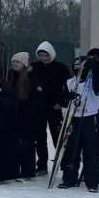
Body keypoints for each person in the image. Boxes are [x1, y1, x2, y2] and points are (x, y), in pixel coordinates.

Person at [59, 51, 99, 192]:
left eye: (81, 66)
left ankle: (92, 181)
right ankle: (69, 178)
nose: (78, 68)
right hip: (74, 118)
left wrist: (95, 67)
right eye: (76, 66)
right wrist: (68, 97)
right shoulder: (70, 82)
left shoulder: (93, 81)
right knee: (72, 149)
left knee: (91, 151)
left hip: (90, 118)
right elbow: (63, 100)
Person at [30, 41, 71, 174]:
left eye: (46, 55)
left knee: (57, 136)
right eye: (41, 55)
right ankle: (42, 164)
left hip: (54, 107)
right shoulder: (34, 67)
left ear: (51, 54)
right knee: (40, 137)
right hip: (39, 108)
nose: (43, 58)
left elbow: (68, 87)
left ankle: (64, 164)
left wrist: (62, 102)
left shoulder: (61, 68)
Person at [10, 53, 36, 179]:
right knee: (15, 142)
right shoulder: (11, 75)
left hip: (26, 112)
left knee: (26, 142)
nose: (15, 64)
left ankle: (27, 170)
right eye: (13, 61)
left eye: (18, 62)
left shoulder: (28, 76)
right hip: (14, 112)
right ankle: (15, 168)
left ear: (24, 64)